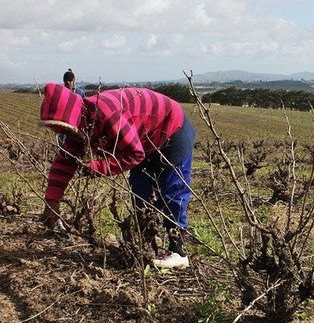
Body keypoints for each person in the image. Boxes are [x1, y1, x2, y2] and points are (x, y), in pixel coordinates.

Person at [38, 83, 196, 269]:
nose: (61, 134)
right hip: (145, 139)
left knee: (172, 190)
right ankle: (144, 245)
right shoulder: (80, 126)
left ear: (73, 118)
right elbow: (65, 161)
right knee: (140, 190)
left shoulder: (107, 114)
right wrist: (52, 200)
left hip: (172, 128)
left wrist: (98, 167)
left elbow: (134, 154)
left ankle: (179, 251)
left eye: (63, 129)